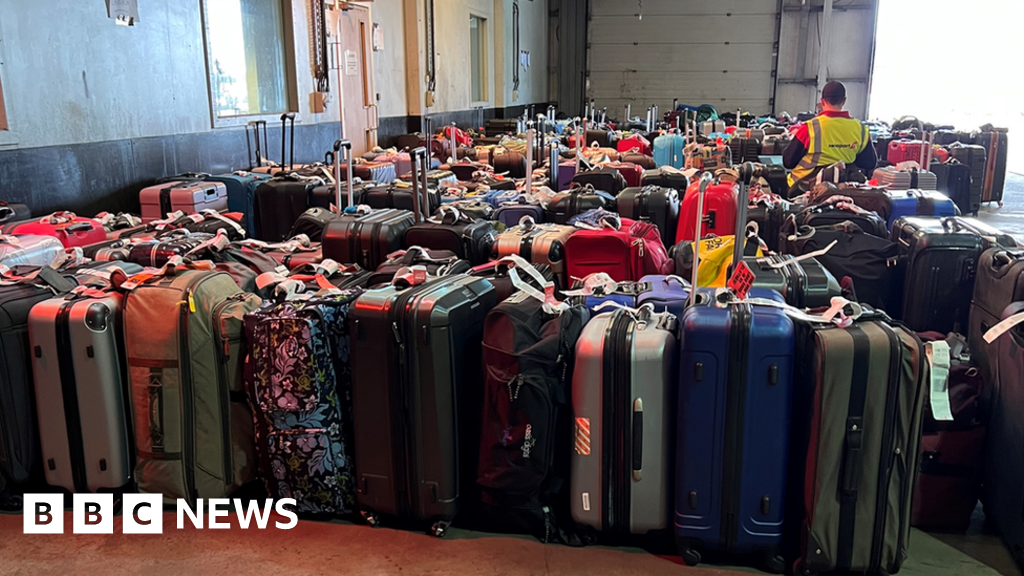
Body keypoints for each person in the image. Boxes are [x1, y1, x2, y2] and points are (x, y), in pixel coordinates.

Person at [783, 81, 877, 189]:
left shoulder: (810, 128)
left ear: (822, 101)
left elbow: (788, 162)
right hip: (844, 189)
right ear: (844, 101)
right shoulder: (861, 129)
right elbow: (870, 163)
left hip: (806, 188)